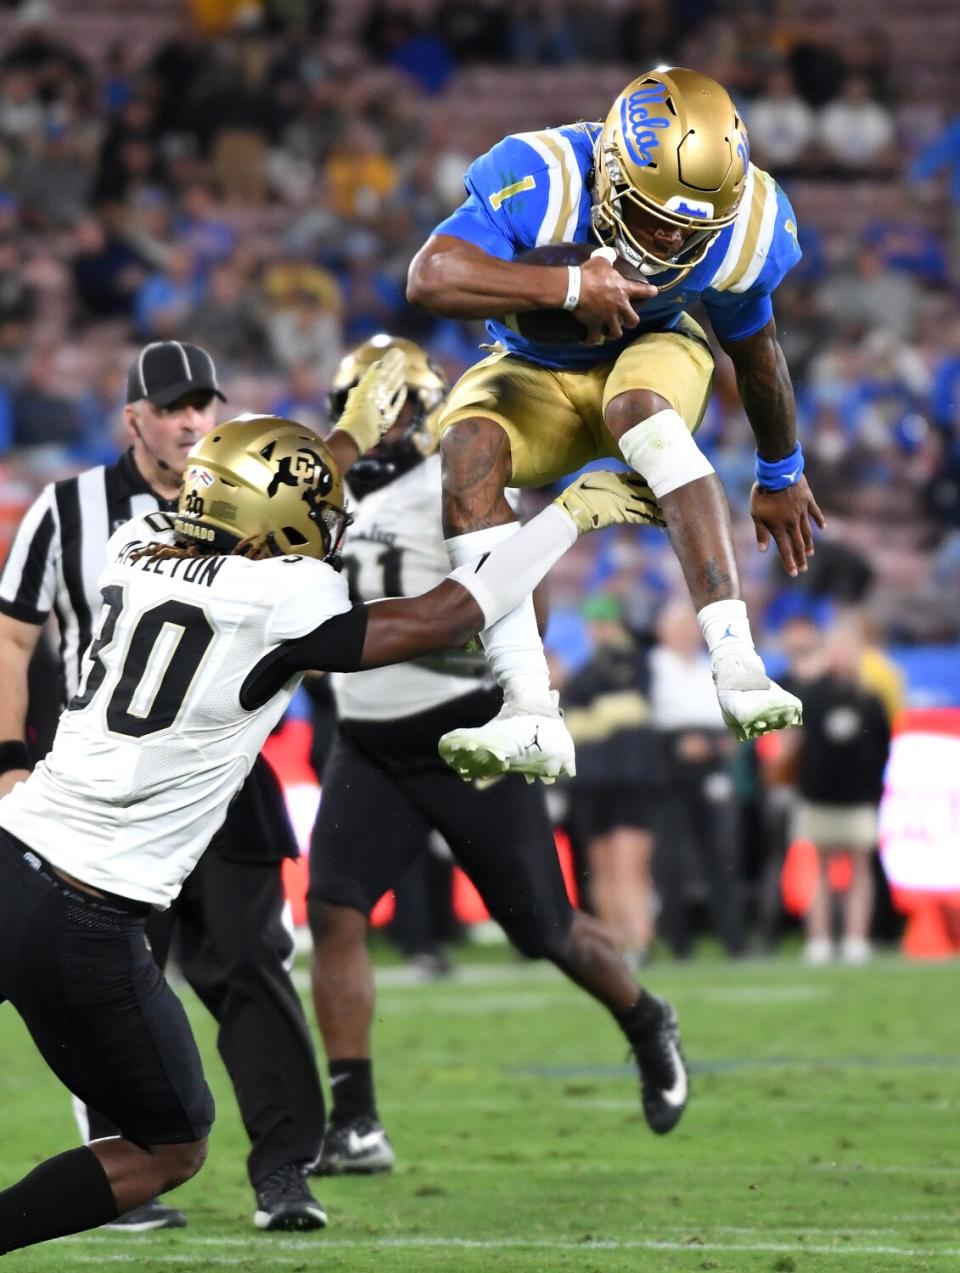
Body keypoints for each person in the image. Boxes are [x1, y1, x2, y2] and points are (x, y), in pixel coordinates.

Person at [0, 399, 673, 1257]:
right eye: (313, 511)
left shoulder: (135, 550)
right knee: (168, 1146)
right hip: (85, 915)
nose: (330, 524)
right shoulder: (282, 594)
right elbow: (446, 615)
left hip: (11, 850)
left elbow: (243, 505)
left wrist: (345, 434)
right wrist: (567, 518)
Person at [306, 336, 685, 1177]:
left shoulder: (458, 474)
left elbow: (531, 614)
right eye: (360, 403)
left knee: (543, 928)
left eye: (389, 403)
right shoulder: (322, 495)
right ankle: (356, 1118)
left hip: (465, 732)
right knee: (333, 906)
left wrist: (423, 638)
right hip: (366, 741)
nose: (373, 421)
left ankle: (645, 1017)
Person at [406, 65, 822, 785]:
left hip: (654, 353)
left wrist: (781, 471)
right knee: (467, 444)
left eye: (691, 224)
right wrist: (567, 284)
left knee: (638, 407)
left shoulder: (751, 223)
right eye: (653, 212)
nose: (665, 239)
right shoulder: (543, 175)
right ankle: (527, 707)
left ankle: (737, 661)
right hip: (534, 367)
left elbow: (755, 350)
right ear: (608, 169)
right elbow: (431, 276)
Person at [0, 342, 329, 1232]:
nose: (190, 421)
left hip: (219, 773)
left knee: (251, 963)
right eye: (172, 406)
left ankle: (285, 1168)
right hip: (98, 788)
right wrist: (5, 754)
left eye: (204, 406)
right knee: (103, 966)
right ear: (132, 418)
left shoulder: (256, 501)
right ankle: (121, 1161)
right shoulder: (73, 508)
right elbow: (15, 635)